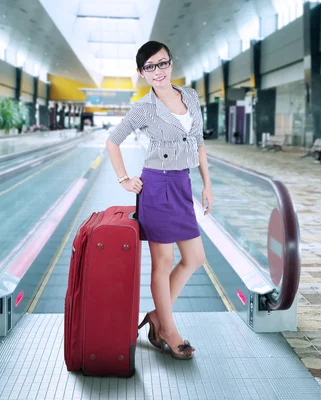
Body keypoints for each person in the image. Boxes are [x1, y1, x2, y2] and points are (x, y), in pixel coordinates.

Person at [105, 41, 214, 360]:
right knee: (162, 263)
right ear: (141, 73)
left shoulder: (190, 95)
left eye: (162, 63)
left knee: (195, 258)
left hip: (182, 184)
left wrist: (207, 185)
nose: (158, 71)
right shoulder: (144, 107)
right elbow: (113, 140)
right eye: (149, 67)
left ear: (171, 64)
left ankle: (156, 316)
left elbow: (199, 142)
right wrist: (124, 178)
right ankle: (168, 329)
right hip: (157, 186)